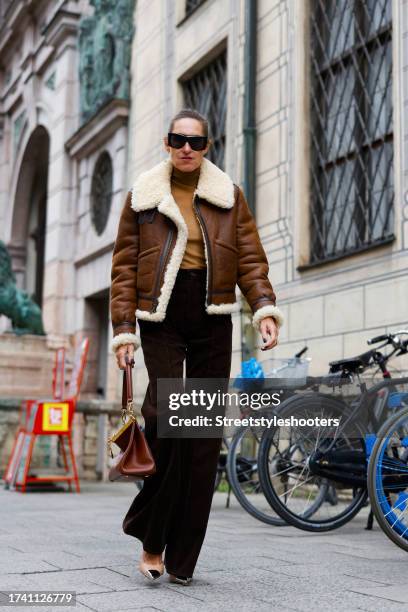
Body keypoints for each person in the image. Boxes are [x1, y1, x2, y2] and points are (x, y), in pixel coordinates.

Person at [110, 108, 284, 585]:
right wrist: (123, 332)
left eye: (196, 141)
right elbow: (124, 268)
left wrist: (264, 308)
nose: (187, 147)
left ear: (208, 146)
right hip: (161, 317)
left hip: (212, 316)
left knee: (201, 438)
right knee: (167, 424)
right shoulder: (143, 197)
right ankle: (151, 538)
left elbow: (249, 256)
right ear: (167, 144)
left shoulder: (228, 196)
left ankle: (183, 557)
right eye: (177, 139)